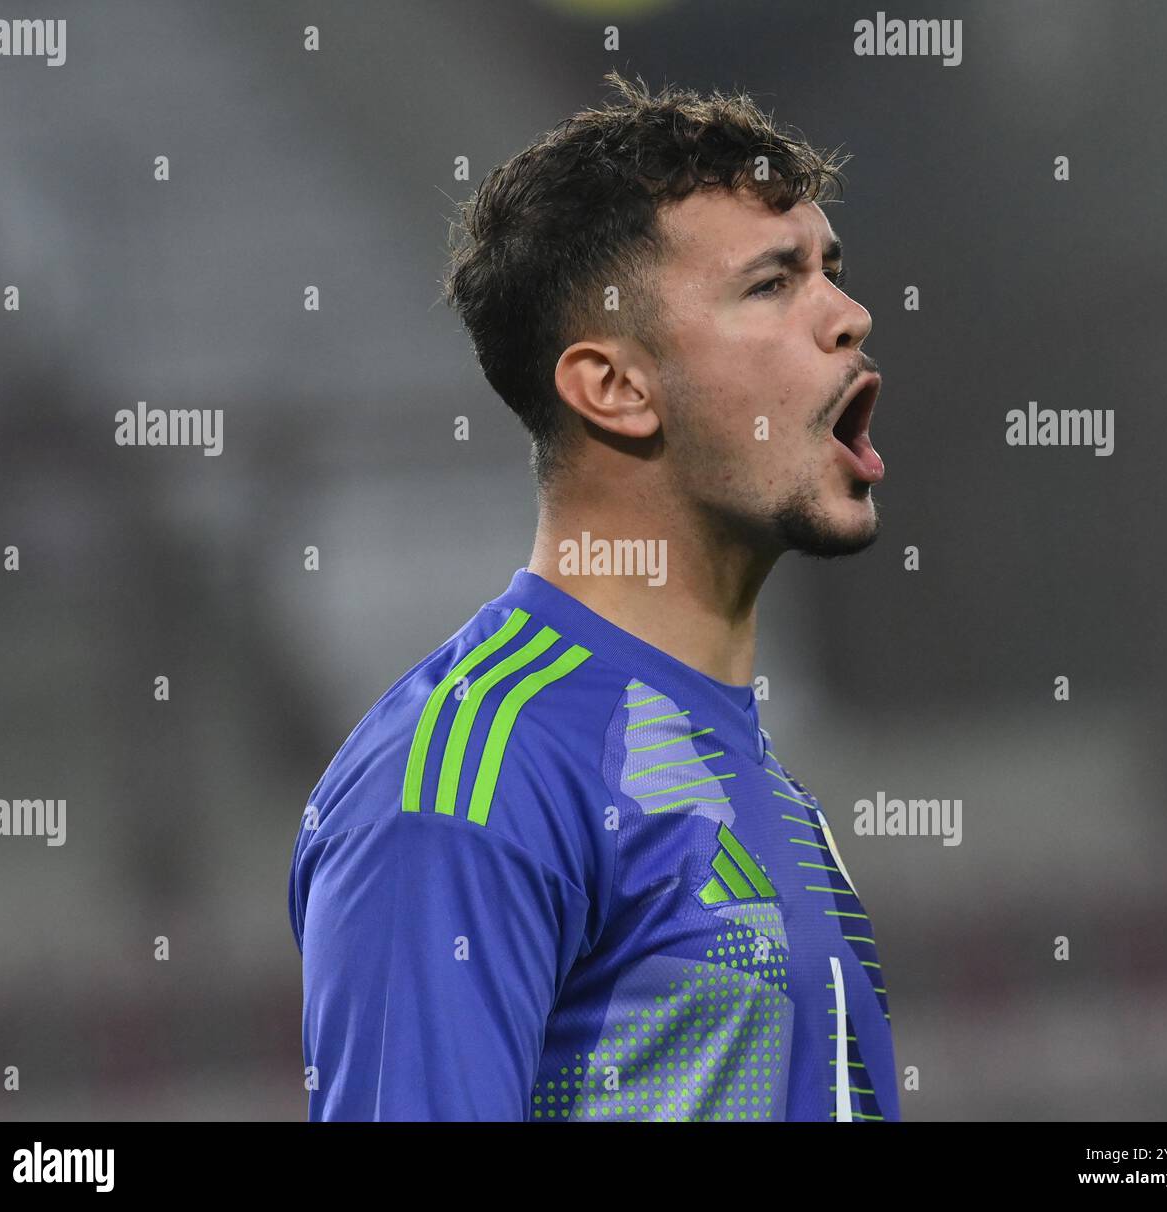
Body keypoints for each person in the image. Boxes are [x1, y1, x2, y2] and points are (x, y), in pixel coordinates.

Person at [289, 70, 897, 1122]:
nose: (848, 316)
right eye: (771, 284)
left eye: (830, 274)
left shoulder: (742, 765)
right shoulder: (469, 780)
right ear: (613, 387)